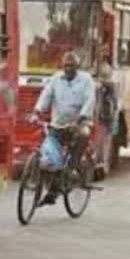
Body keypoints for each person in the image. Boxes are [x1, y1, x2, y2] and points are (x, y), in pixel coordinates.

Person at [28, 51, 96, 204]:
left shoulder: (86, 80)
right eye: (66, 65)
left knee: (82, 136)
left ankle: (73, 167)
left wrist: (81, 119)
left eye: (71, 65)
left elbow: (89, 101)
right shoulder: (55, 79)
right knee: (49, 154)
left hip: (79, 123)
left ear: (77, 66)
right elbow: (45, 96)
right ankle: (52, 187)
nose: (68, 68)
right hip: (58, 123)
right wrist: (37, 111)